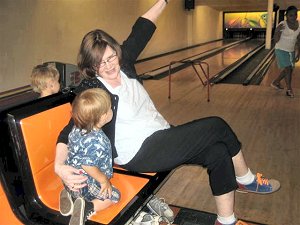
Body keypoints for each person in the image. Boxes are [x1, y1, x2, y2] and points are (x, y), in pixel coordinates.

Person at [54, 1, 280, 225]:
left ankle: (226, 220)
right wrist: (59, 166)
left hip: (162, 134)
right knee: (217, 125)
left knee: (218, 152)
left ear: (116, 51)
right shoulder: (91, 88)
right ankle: (246, 179)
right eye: (100, 63)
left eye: (111, 56)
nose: (109, 65)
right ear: (91, 66)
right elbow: (70, 129)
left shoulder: (124, 65)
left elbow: (142, 28)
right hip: (138, 152)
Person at [60, 88, 120, 225]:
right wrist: (104, 180)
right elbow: (88, 165)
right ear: (103, 116)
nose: (112, 111)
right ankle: (88, 207)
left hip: (71, 180)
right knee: (114, 196)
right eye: (110, 108)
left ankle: (68, 194)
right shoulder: (97, 140)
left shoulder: (77, 127)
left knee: (77, 190)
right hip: (87, 184)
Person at [271, 5, 300, 98]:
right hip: (281, 49)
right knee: (288, 69)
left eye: (295, 14)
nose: (293, 17)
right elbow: (275, 40)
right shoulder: (282, 24)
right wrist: (276, 32)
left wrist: (298, 52)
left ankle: (276, 82)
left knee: (290, 70)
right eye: (291, 15)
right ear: (286, 15)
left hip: (291, 50)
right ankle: (289, 89)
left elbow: (298, 40)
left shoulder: (299, 24)